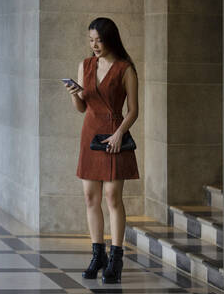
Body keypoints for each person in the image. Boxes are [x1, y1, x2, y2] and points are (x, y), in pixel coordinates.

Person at [64, 17, 140, 284]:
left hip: (114, 135)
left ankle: (116, 257)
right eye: (91, 40)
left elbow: (133, 110)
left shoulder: (125, 68)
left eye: (99, 40)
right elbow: (82, 108)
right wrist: (75, 94)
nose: (94, 45)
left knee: (112, 197)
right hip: (90, 133)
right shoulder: (85, 65)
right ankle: (98, 255)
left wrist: (120, 133)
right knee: (89, 197)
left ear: (110, 39)